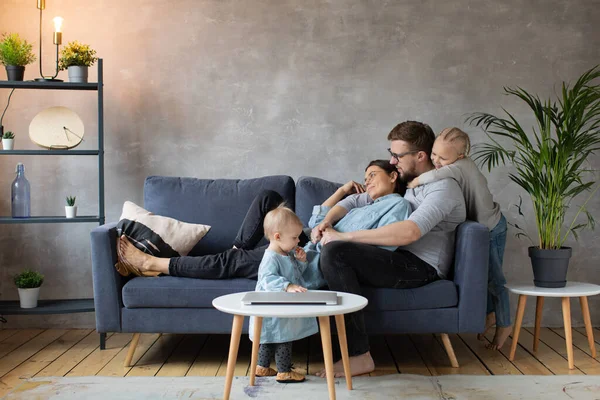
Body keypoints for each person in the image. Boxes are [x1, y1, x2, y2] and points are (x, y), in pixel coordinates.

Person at [314, 120, 466, 378]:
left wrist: (344, 236)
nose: (393, 162)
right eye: (391, 155)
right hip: (394, 256)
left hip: (420, 266)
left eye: (397, 156)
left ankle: (359, 355)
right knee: (331, 251)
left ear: (420, 156)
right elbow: (354, 200)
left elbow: (410, 232)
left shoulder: (444, 188)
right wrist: (327, 221)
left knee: (336, 251)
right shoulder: (408, 183)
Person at [116, 160, 411, 282]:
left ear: (394, 175)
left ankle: (152, 264)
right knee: (268, 196)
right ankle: (236, 251)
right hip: (308, 237)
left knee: (227, 264)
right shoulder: (362, 204)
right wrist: (344, 190)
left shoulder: (397, 207)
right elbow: (317, 214)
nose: (367, 181)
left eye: (373, 174)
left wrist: (335, 236)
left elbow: (379, 248)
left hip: (307, 256)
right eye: (365, 177)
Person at [407, 127, 509, 350]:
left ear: (460, 156)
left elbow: (436, 175)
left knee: (496, 280)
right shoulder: (453, 164)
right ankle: (490, 314)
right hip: (484, 226)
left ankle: (505, 324)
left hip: (493, 227)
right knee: (486, 277)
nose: (436, 160)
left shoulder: (461, 167)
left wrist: (414, 182)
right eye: (434, 154)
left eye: (443, 157)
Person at [249, 205, 318, 383]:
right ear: (277, 237)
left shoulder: (286, 254)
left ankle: (262, 367)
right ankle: (284, 371)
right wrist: (287, 286)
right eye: (294, 238)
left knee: (269, 337)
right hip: (274, 307)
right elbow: (267, 279)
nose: (298, 242)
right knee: (283, 338)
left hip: (278, 308)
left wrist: (302, 262)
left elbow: (294, 274)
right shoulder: (271, 257)